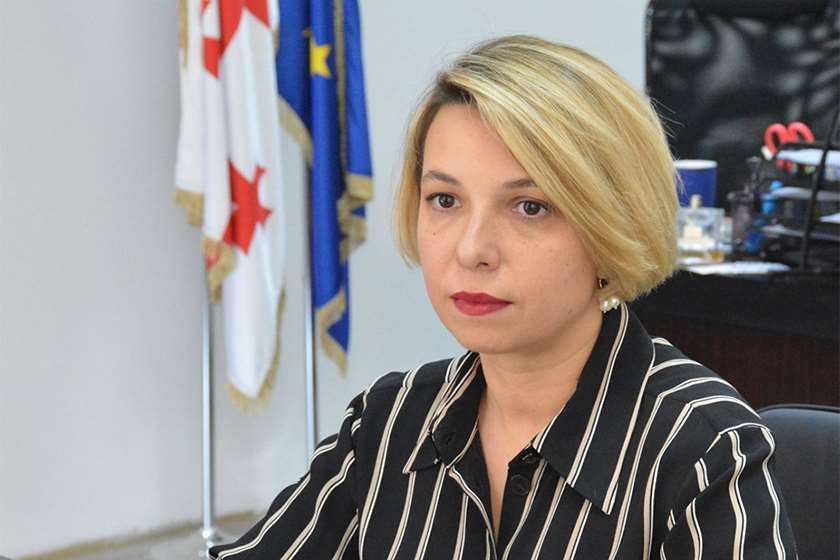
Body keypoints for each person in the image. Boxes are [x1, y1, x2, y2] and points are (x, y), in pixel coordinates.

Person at [210, 35, 797, 559]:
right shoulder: (389, 422)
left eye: (530, 207)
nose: (472, 250)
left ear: (611, 225)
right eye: (445, 200)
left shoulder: (702, 450)